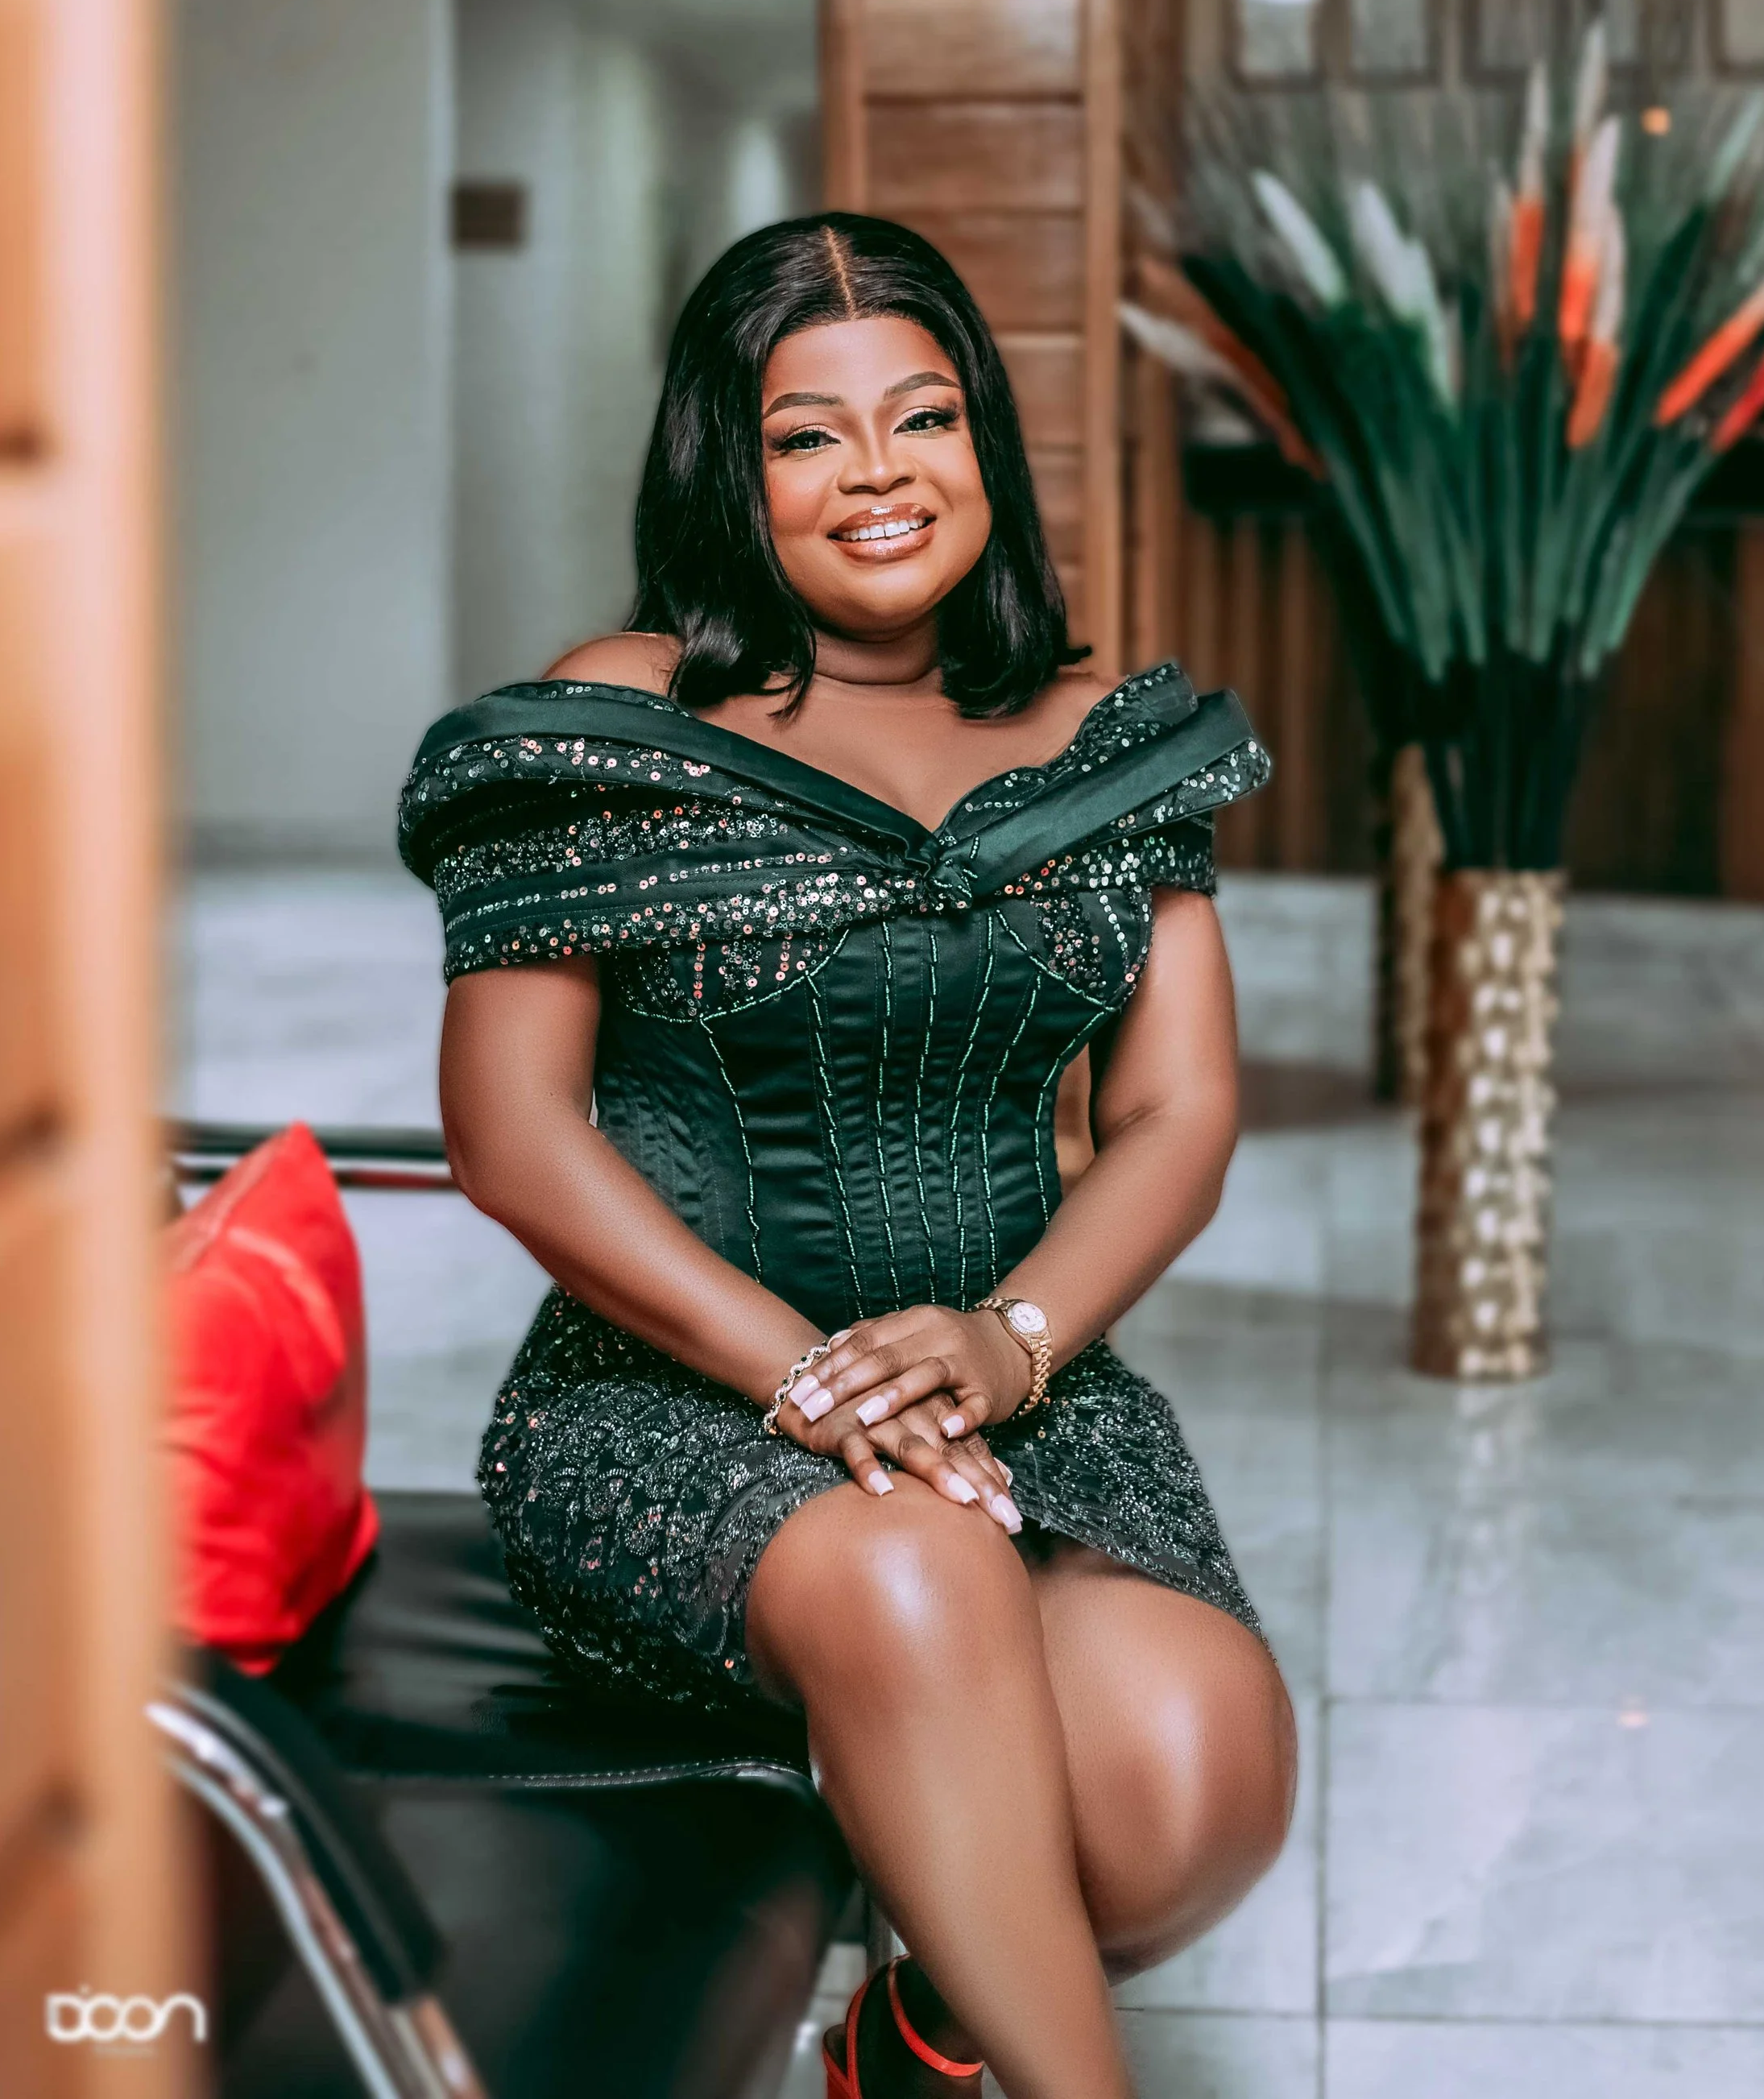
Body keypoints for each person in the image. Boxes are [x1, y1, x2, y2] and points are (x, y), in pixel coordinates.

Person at [399, 213, 1295, 2099]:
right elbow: (512, 1129)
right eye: (811, 435)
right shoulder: (617, 721)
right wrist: (801, 1376)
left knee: (1189, 1776)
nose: (879, 474)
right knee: (910, 1575)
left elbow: (1175, 1111)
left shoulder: (1105, 744)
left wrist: (1010, 1339)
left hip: (1013, 1379)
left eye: (925, 417)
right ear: (732, 466)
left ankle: (914, 2038)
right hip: (670, 1396)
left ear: (984, 446)